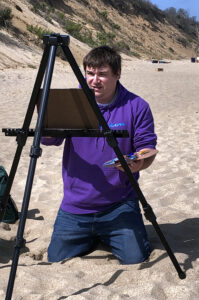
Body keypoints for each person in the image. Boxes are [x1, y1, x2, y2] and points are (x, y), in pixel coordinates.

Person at [41, 45, 157, 264]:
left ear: (117, 74)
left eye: (102, 74)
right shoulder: (73, 101)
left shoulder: (137, 106)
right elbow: (50, 140)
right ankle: (92, 237)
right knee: (56, 258)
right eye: (90, 73)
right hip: (75, 205)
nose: (95, 80)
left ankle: (109, 235)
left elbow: (147, 147)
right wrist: (45, 120)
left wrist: (138, 163)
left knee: (136, 258)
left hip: (119, 204)